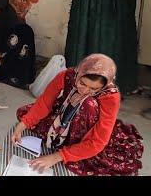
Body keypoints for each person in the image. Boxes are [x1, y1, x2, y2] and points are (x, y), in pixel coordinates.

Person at [12, 54, 143, 176]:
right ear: (79, 73)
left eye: (94, 89)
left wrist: (57, 156)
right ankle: (63, 136)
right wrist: (22, 126)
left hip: (88, 129)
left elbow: (98, 142)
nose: (85, 90)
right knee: (26, 115)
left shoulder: (110, 95)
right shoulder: (66, 76)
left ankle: (72, 144)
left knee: (88, 103)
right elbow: (45, 103)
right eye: (82, 83)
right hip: (64, 116)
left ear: (103, 86)